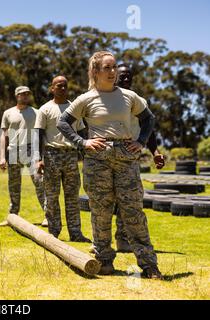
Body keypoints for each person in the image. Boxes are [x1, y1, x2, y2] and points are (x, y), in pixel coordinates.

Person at [57, 51, 163, 279]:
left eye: (114, 67)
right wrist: (82, 142)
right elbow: (63, 122)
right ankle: (104, 260)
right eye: (107, 68)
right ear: (95, 71)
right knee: (101, 212)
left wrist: (141, 142)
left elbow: (149, 119)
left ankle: (148, 265)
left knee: (133, 211)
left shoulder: (129, 96)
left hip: (126, 158)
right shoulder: (86, 98)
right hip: (97, 159)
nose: (113, 71)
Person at [113, 64, 165, 253]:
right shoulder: (104, 96)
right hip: (104, 156)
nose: (126, 79)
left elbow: (148, 128)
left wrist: (155, 152)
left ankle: (123, 239)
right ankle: (100, 242)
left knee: (128, 199)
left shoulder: (138, 100)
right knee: (105, 200)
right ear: (114, 76)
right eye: (122, 76)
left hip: (130, 156)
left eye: (129, 76)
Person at [33, 76, 91, 242]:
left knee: (72, 196)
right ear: (52, 88)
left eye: (65, 86)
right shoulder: (45, 109)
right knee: (52, 196)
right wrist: (39, 159)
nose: (63, 89)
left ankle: (75, 233)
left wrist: (85, 154)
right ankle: (54, 233)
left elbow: (81, 133)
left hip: (71, 155)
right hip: (52, 155)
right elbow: (38, 134)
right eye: (59, 86)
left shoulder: (74, 109)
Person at [0, 86, 46, 226]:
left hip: (31, 150)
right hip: (13, 150)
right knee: (13, 184)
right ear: (16, 96)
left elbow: (42, 134)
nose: (25, 96)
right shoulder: (8, 113)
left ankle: (48, 216)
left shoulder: (36, 113)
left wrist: (42, 156)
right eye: (22, 94)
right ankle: (13, 216)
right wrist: (2, 157)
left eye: (27, 94)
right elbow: (4, 136)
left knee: (39, 182)